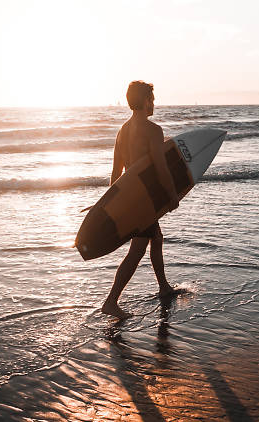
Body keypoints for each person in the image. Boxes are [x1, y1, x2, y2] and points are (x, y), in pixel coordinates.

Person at [101, 81, 180, 319]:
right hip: (145, 199)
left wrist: (112, 204)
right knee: (137, 250)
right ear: (146, 100)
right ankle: (111, 301)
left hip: (130, 197)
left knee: (156, 238)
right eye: (152, 98)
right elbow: (161, 168)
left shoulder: (122, 131)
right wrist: (172, 195)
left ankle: (163, 287)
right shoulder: (153, 130)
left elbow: (115, 174)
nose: (154, 103)